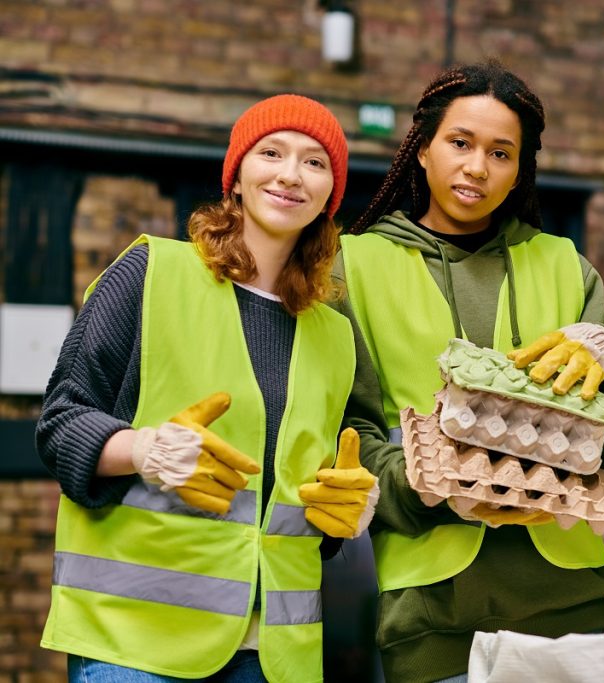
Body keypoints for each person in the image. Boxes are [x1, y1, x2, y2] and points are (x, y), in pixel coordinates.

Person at [36, 94, 379, 683]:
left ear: (331, 195)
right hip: (138, 642)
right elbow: (61, 422)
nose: (291, 174)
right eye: (271, 152)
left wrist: (347, 514)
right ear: (237, 179)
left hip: (277, 654)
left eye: (315, 162)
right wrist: (144, 450)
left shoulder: (335, 336)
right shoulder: (151, 274)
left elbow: (292, 503)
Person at [334, 60, 604, 683]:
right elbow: (346, 430)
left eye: (501, 153)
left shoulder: (562, 264)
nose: (478, 167)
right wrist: (427, 483)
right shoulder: (355, 266)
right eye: (460, 143)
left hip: (565, 597)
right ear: (422, 150)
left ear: (519, 169)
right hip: (431, 603)